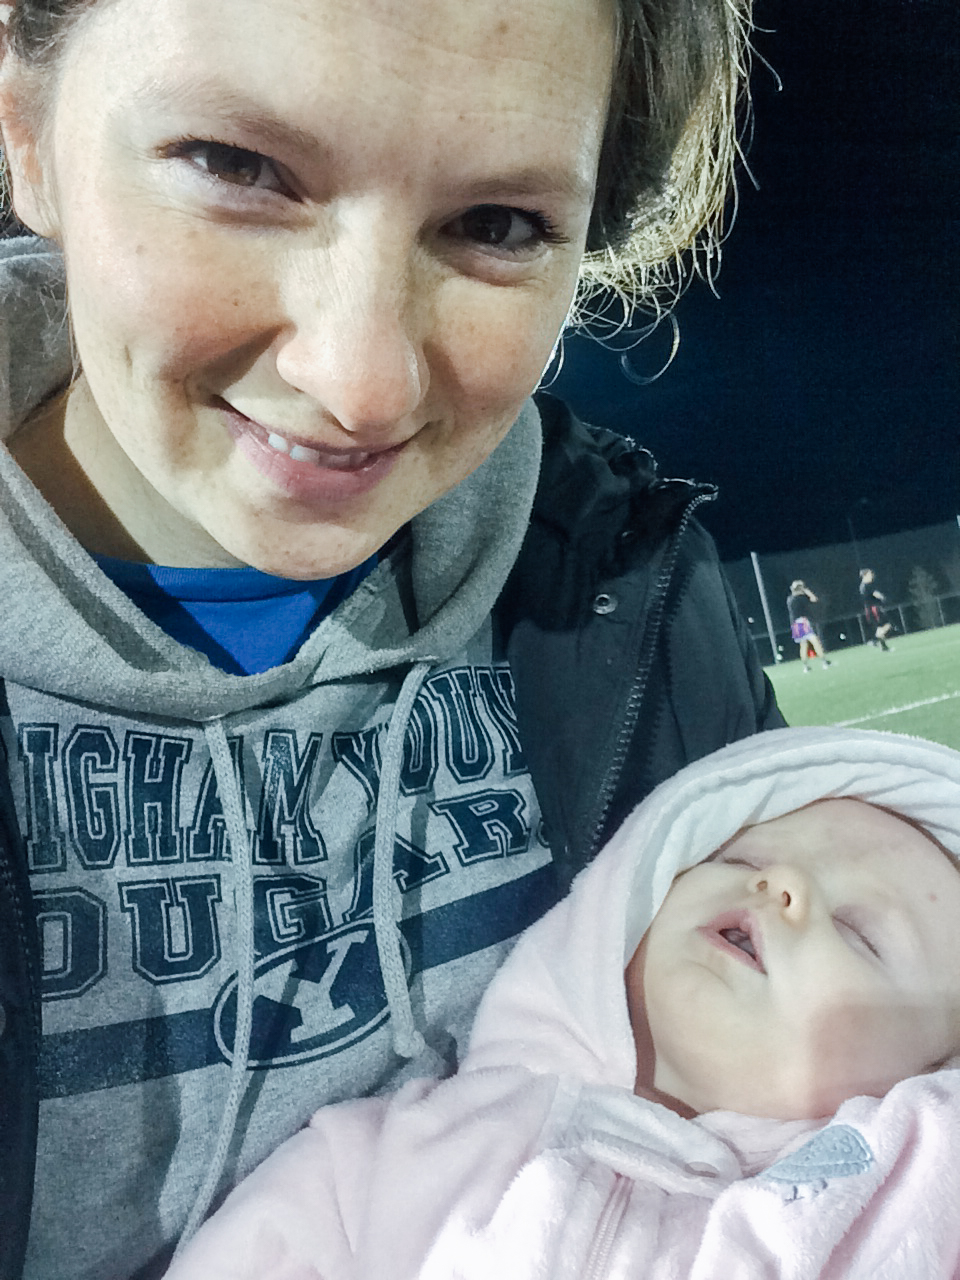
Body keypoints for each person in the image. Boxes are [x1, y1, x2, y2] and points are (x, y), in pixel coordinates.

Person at [0, 1, 782, 1276]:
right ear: (25, 129)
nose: (360, 382)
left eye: (498, 225)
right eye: (239, 166)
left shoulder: (626, 585)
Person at [166, 726, 960, 1280]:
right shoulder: (387, 1157)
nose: (780, 884)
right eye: (740, 855)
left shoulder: (903, 1185)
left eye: (860, 932)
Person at [786, 578, 831, 671]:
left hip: (794, 624)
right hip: (802, 622)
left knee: (803, 645)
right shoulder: (801, 598)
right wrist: (806, 591)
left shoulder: (790, 599)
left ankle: (806, 666)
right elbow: (814, 599)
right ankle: (824, 661)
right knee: (815, 641)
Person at [859, 568, 894, 651]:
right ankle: (874, 640)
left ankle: (883, 646)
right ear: (865, 575)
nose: (872, 575)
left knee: (880, 628)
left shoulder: (862, 586)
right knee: (886, 625)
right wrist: (882, 597)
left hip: (870, 609)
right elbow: (875, 594)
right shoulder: (867, 585)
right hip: (874, 609)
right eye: (870, 574)